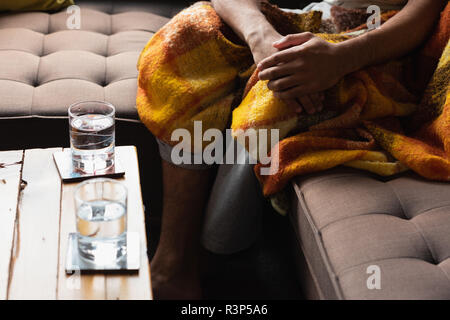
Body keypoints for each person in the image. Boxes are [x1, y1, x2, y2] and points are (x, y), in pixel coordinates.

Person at [150, 0, 445, 299]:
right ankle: (172, 261)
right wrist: (262, 39)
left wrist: (339, 60)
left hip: (380, 46)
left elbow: (422, 15)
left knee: (274, 100)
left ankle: (215, 263)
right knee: (188, 33)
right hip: (310, 22)